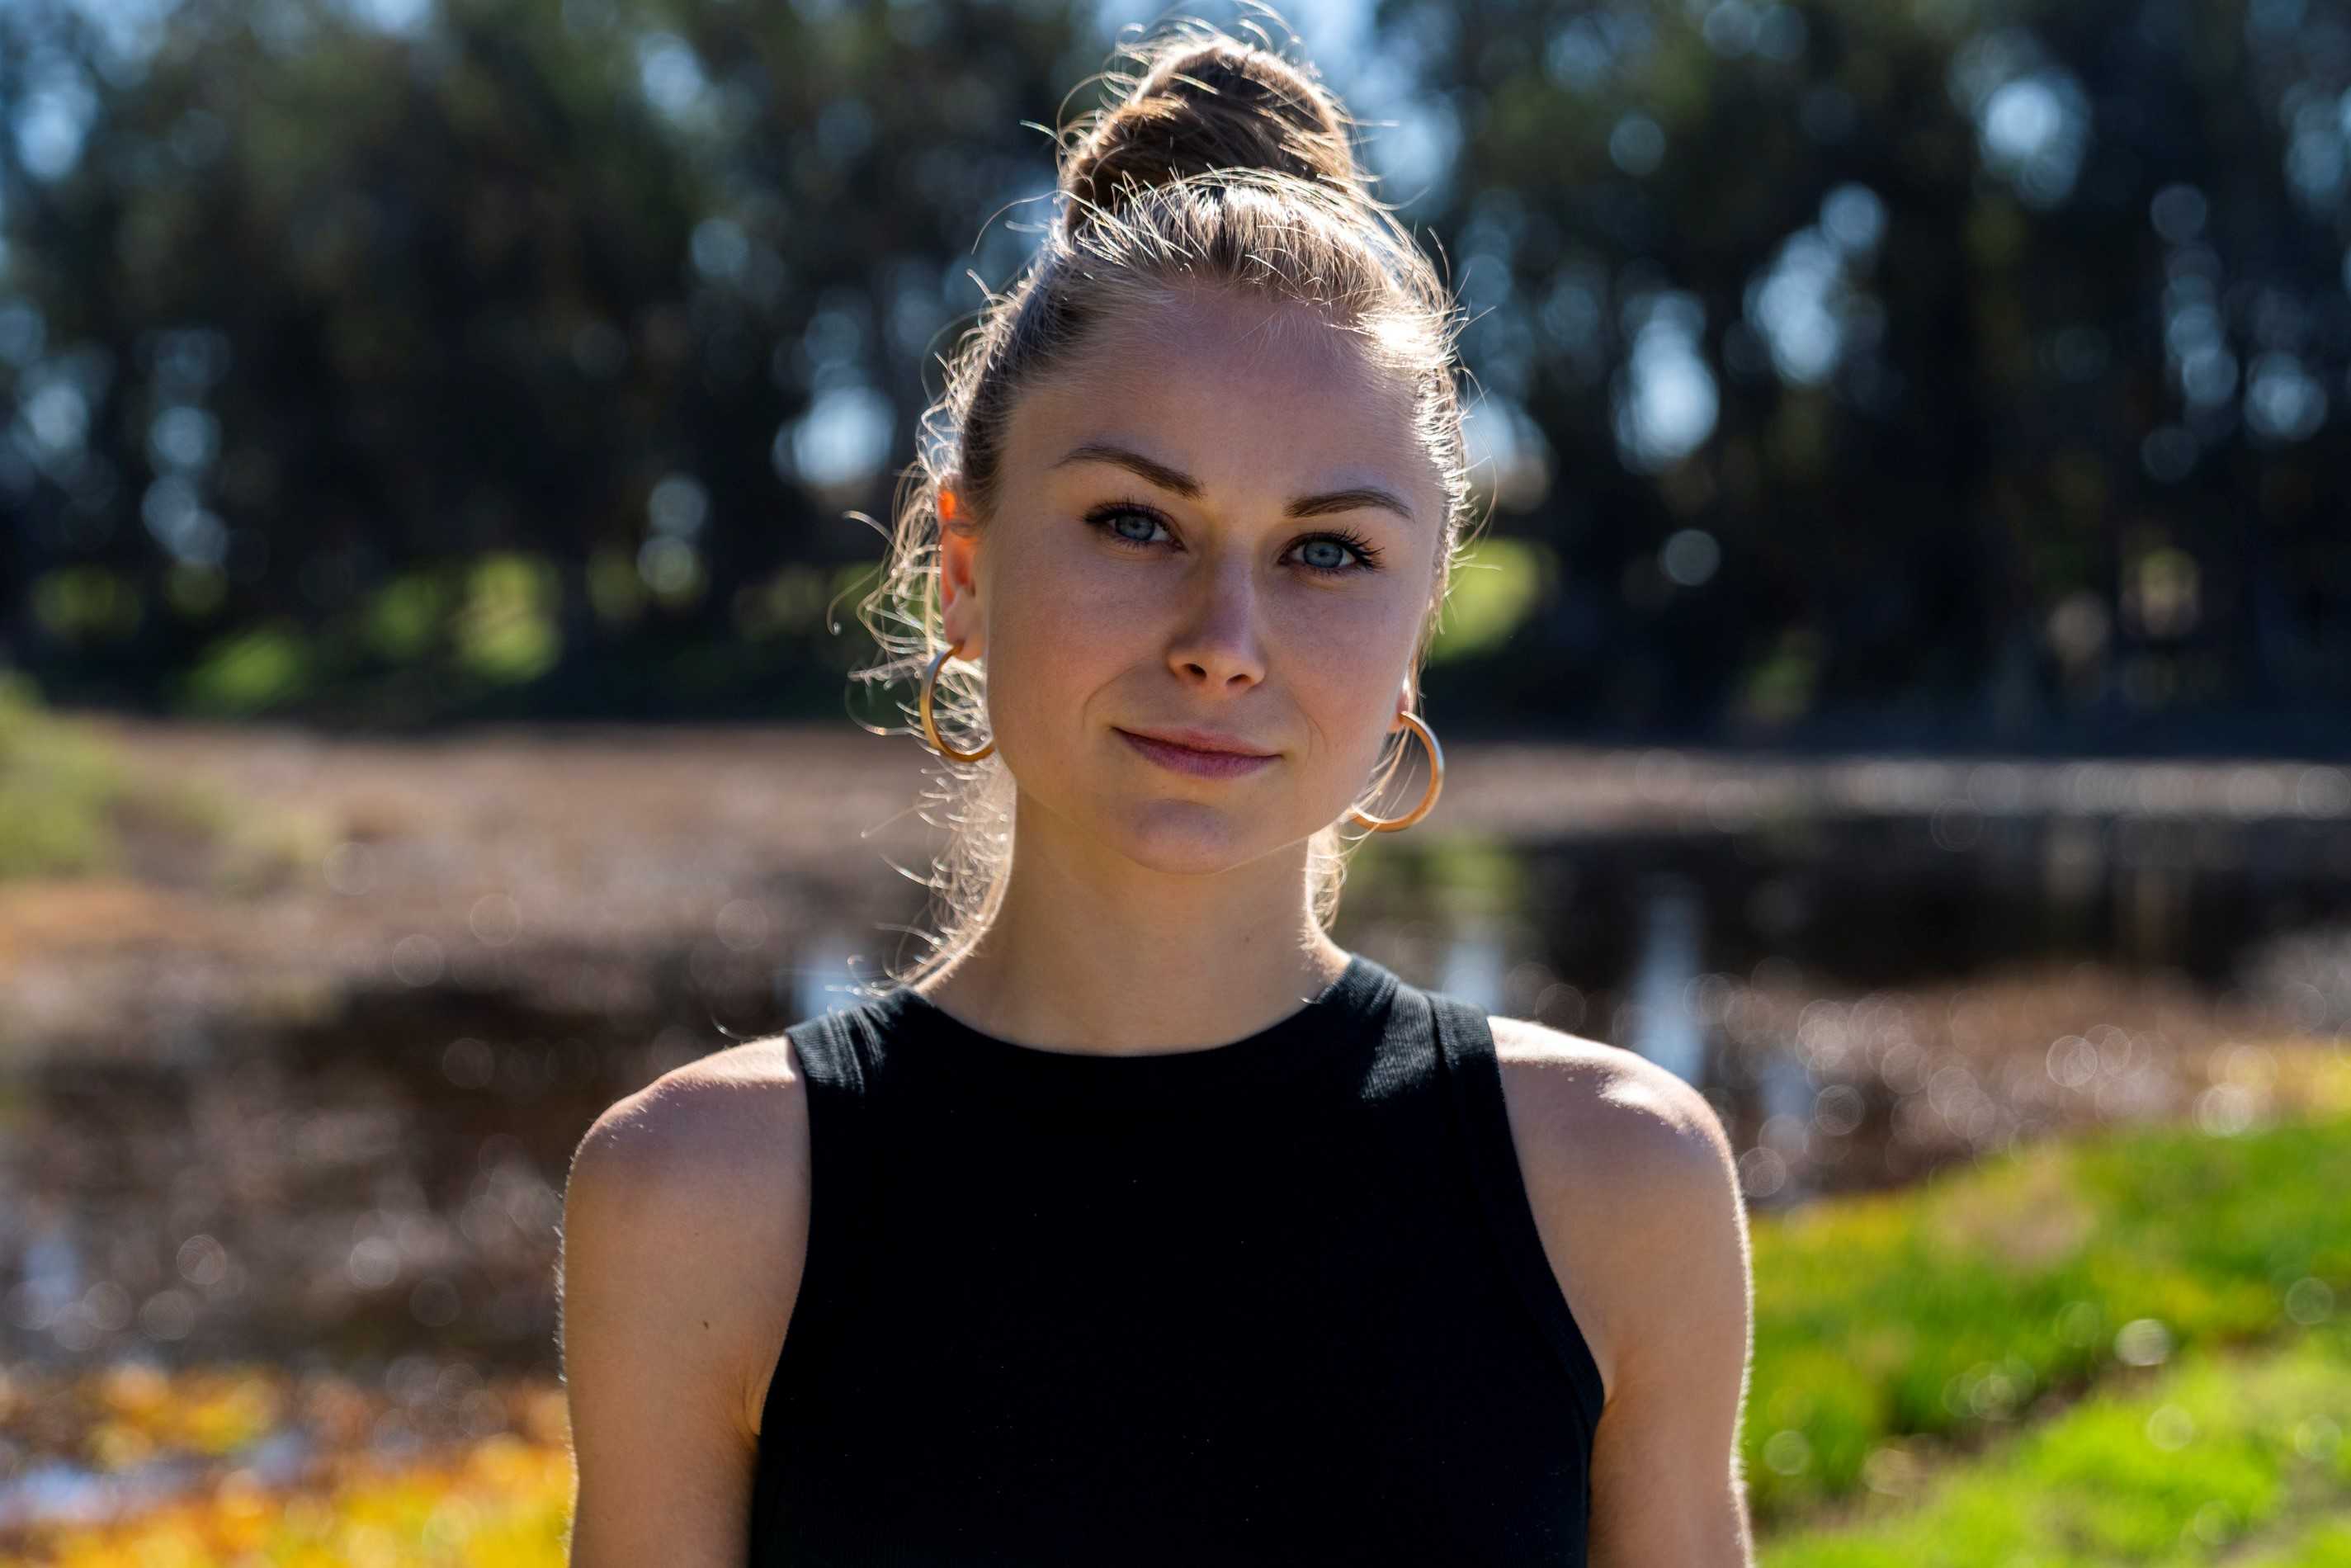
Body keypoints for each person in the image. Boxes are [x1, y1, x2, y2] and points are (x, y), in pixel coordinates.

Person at [557, 18, 1754, 1566]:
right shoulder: (698, 1202)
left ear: (1414, 641)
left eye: (1328, 551)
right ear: (965, 575)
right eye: (1134, 522)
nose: (1223, 645)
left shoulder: (1615, 1181)